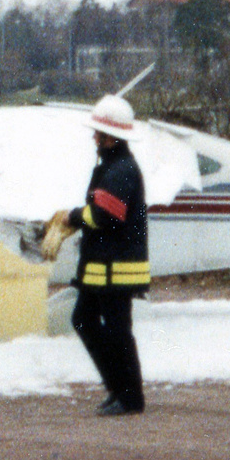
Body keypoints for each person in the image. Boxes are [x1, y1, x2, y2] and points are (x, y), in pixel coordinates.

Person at [43, 95, 149, 416]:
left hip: (115, 269)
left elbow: (103, 214)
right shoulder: (113, 167)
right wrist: (74, 220)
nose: (94, 139)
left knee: (116, 331)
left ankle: (130, 398)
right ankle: (118, 388)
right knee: (84, 320)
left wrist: (71, 218)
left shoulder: (122, 170)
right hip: (100, 267)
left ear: (112, 137)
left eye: (98, 134)